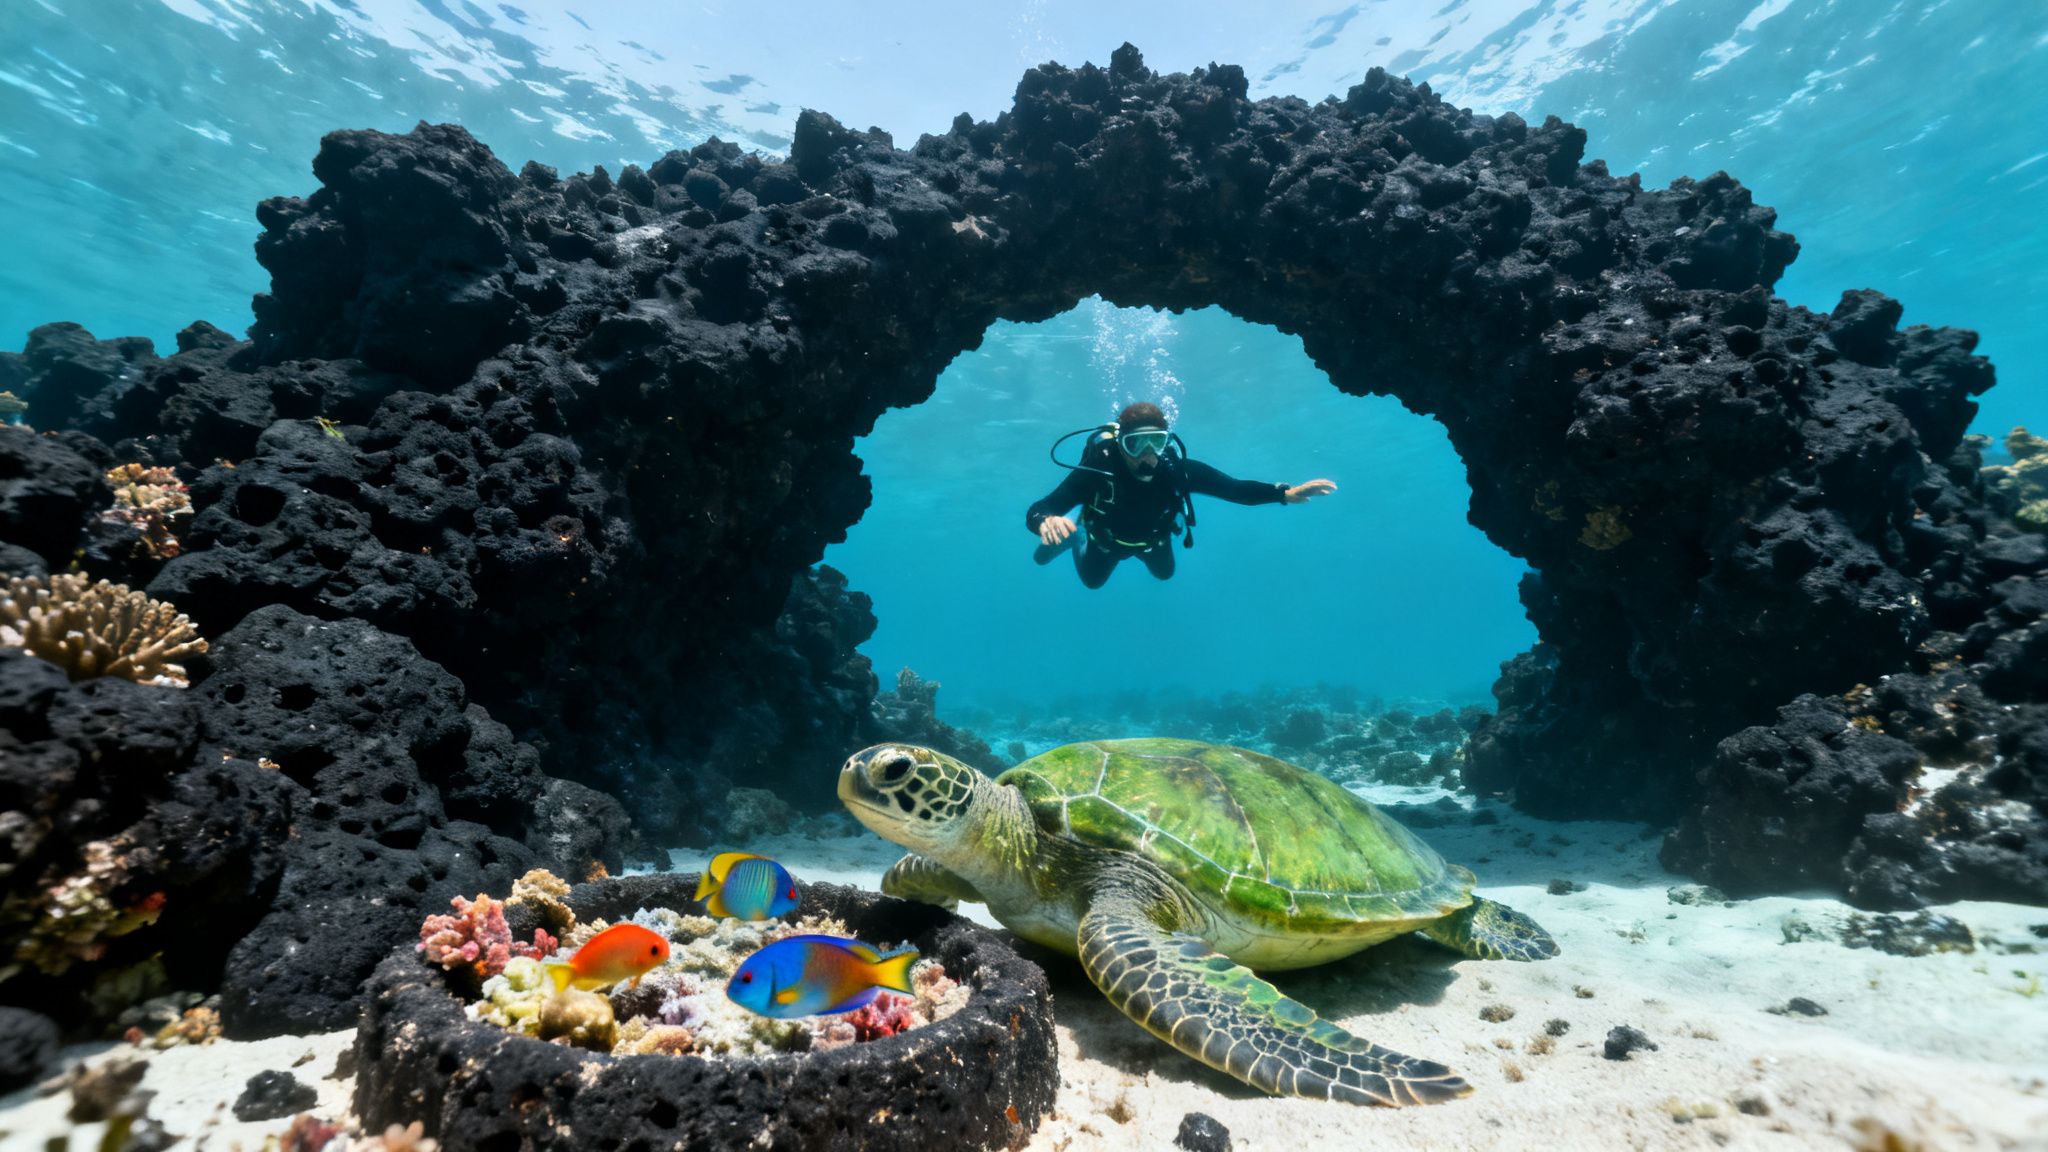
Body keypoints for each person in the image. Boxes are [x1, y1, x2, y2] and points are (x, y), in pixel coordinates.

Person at [1025, 402, 1337, 588]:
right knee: (1093, 583)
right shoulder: (1099, 468)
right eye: (1137, 445)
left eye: (1156, 443)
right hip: (1104, 542)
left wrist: (1283, 493)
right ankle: (1075, 536)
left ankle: (1076, 535)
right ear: (1121, 444)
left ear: (1166, 443)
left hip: (1154, 541)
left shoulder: (1176, 469)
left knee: (1165, 575)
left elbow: (1235, 489)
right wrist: (1044, 521)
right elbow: (1044, 505)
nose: (1148, 455)